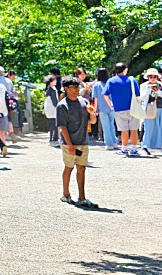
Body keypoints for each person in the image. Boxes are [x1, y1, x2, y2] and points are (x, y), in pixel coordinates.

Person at [56, 76, 96, 208]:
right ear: (66, 89)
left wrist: (91, 114)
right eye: (74, 87)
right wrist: (70, 145)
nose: (77, 90)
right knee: (69, 167)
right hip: (69, 142)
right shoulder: (62, 106)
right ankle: (65, 194)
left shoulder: (84, 102)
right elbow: (62, 127)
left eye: (78, 87)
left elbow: (92, 122)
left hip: (83, 141)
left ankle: (82, 197)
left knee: (81, 168)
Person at [105, 62, 141, 156]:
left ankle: (124, 149)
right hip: (133, 108)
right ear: (125, 70)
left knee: (123, 130)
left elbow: (105, 94)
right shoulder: (132, 80)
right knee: (134, 129)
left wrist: (110, 105)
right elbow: (138, 95)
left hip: (119, 108)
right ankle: (133, 149)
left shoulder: (111, 81)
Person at [140, 67, 162, 155]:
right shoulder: (143, 86)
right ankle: (145, 146)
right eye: (150, 77)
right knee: (149, 128)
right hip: (150, 109)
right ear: (147, 77)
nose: (152, 78)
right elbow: (142, 98)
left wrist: (158, 91)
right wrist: (149, 89)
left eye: (154, 77)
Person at [91, 67, 118, 149]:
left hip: (102, 108)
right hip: (112, 107)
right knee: (112, 125)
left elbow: (95, 98)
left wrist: (95, 109)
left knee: (105, 127)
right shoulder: (111, 83)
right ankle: (114, 142)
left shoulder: (96, 85)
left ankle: (109, 144)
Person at [0, 66, 18, 145]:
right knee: (8, 120)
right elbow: (13, 92)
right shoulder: (9, 81)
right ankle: (11, 132)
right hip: (7, 104)